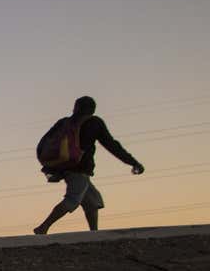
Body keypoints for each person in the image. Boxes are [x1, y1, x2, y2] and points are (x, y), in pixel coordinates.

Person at [34, 96, 145, 234]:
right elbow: (111, 145)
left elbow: (44, 144)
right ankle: (43, 227)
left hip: (65, 167)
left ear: (75, 108)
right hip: (80, 168)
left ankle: (94, 233)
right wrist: (133, 162)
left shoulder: (64, 122)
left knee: (92, 201)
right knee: (73, 199)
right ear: (92, 110)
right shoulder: (94, 123)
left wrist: (49, 166)